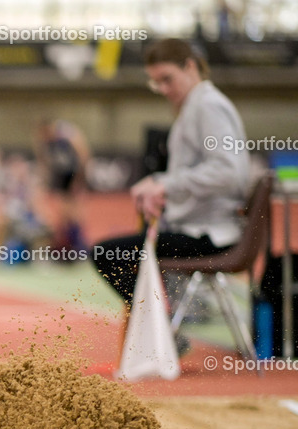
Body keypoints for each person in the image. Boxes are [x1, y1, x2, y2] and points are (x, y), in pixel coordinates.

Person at [91, 39, 249, 352]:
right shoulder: (194, 107)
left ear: (190, 66)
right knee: (118, 249)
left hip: (209, 235)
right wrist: (159, 181)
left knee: (107, 253)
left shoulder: (208, 106)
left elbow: (230, 172)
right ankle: (160, 329)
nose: (162, 88)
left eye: (167, 79)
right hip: (193, 226)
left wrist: (165, 186)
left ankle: (161, 330)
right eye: (156, 82)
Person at [34, 117, 90, 257]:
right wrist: (46, 174)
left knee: (74, 209)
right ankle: (66, 244)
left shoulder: (67, 132)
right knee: (63, 210)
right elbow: (41, 156)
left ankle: (78, 244)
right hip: (60, 173)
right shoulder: (43, 139)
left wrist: (80, 177)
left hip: (74, 172)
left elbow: (83, 152)